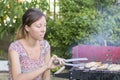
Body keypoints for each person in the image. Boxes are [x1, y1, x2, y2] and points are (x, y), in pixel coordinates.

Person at [8, 8, 65, 80]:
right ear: (27, 28)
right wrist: (46, 66)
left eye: (44, 25)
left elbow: (46, 77)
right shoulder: (15, 48)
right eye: (39, 26)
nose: (43, 30)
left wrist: (49, 66)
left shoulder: (45, 46)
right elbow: (17, 78)